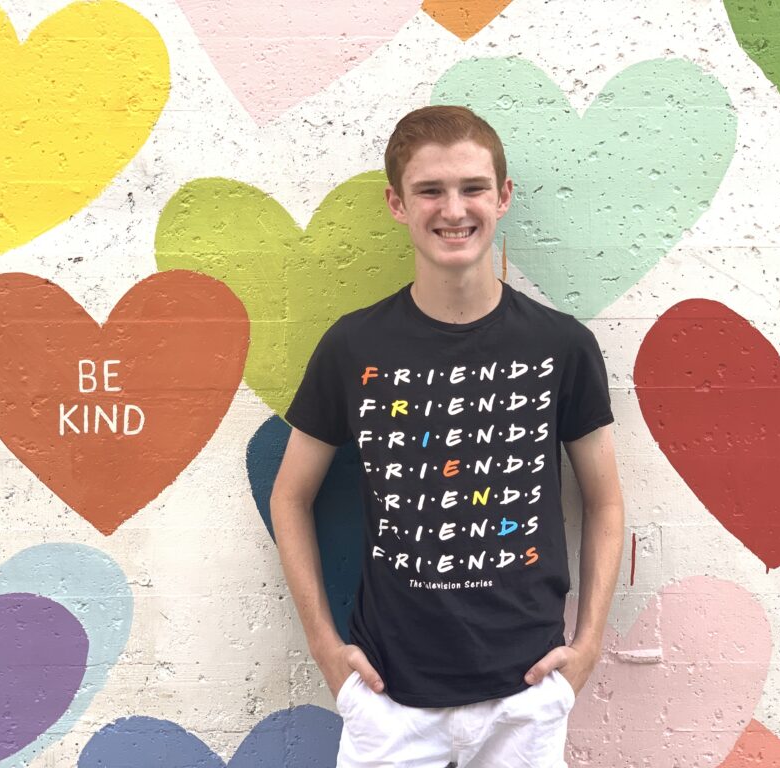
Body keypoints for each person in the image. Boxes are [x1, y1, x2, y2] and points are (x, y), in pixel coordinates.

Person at [270, 105, 624, 767]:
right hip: (387, 697)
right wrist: (326, 652)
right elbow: (291, 496)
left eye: (472, 188)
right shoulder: (354, 347)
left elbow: (604, 501)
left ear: (503, 197)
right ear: (397, 204)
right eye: (430, 190)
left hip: (525, 696)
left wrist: (588, 647)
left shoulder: (560, 346)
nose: (453, 209)